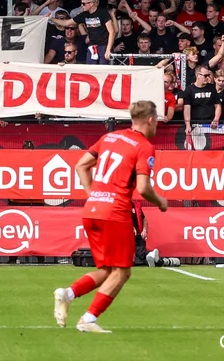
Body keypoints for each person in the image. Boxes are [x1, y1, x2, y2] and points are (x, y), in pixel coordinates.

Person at [53, 100, 167, 334]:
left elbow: (81, 165)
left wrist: (94, 195)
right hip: (114, 213)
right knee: (123, 271)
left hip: (92, 210)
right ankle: (88, 318)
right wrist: (161, 202)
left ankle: (68, 294)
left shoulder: (110, 138)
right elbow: (144, 188)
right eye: (158, 120)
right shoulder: (144, 146)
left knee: (107, 269)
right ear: (151, 120)